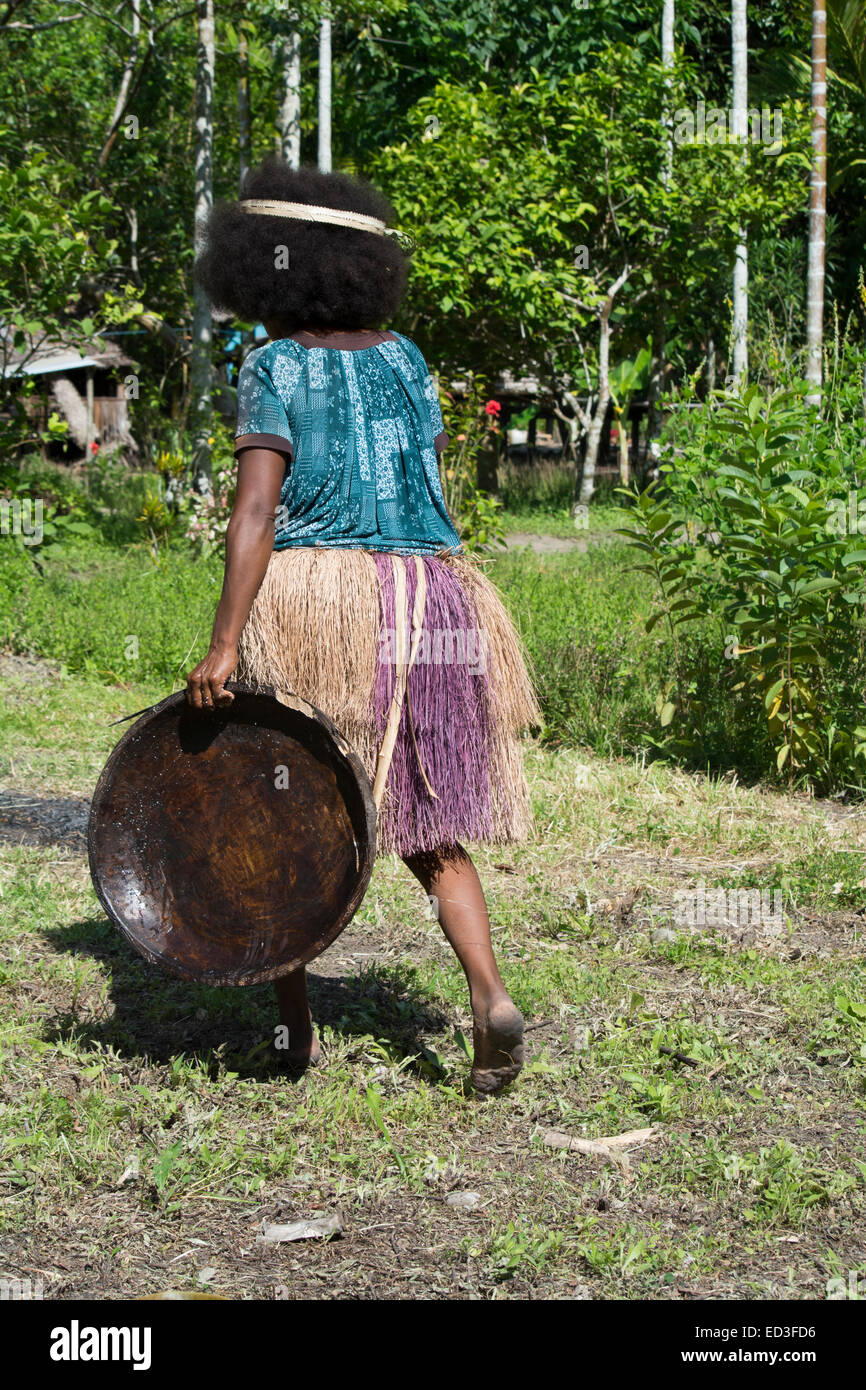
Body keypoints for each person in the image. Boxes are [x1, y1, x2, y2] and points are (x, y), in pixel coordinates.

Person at [188, 156, 540, 1095]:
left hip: (323, 604)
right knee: (430, 817)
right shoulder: (406, 358)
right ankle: (489, 995)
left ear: (272, 274)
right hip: (437, 596)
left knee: (286, 807)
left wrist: (226, 641)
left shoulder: (274, 365)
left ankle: (297, 1033)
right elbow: (420, 482)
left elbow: (256, 517)